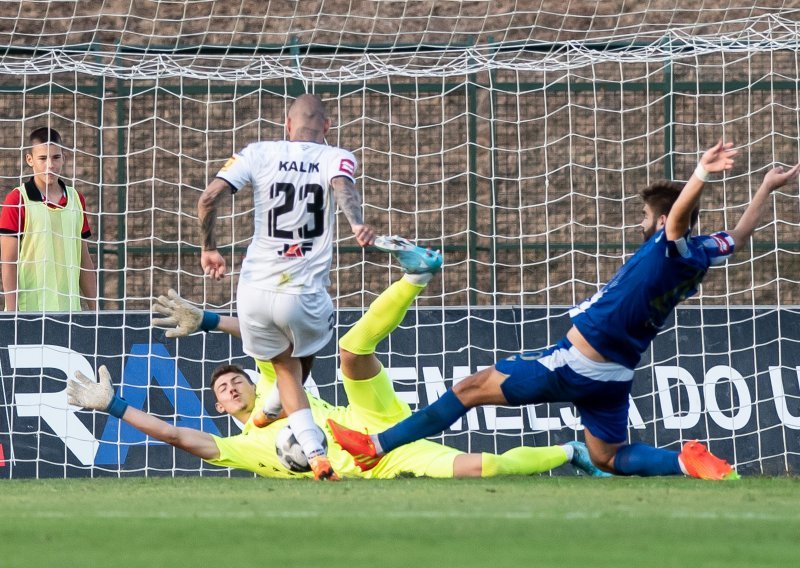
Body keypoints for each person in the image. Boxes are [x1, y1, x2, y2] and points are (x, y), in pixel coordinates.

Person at [328, 140, 800, 480]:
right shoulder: (701, 252)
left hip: (578, 360)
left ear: (659, 221)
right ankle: (685, 461)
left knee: (469, 388)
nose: (641, 223)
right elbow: (737, 237)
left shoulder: (669, 247)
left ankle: (374, 447)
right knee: (607, 458)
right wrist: (766, 189)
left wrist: (699, 173)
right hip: (615, 374)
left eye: (644, 217)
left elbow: (676, 219)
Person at [67, 268, 609, 480]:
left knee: (351, 352)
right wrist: (113, 407)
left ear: (257, 384)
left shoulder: (280, 385)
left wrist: (209, 320)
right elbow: (173, 434)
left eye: (236, 381)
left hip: (371, 422)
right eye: (222, 390)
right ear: (220, 408)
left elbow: (258, 338)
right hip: (383, 463)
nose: (230, 387)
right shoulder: (237, 446)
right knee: (480, 470)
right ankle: (571, 453)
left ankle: (415, 276)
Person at [197, 94, 377, 480]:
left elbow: (209, 198)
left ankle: (307, 447)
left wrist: (209, 248)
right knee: (304, 356)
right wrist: (356, 224)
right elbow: (343, 188)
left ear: (286, 123)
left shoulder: (258, 152)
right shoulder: (336, 156)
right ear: (326, 127)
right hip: (304, 293)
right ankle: (286, 416)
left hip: (254, 290)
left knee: (284, 366)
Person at [0, 127, 97, 311]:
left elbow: (84, 260)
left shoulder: (76, 199)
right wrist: (12, 314)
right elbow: (8, 262)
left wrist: (95, 310)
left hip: (71, 314)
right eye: (43, 158)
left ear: (64, 157)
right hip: (29, 314)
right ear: (30, 160)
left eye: (56, 157)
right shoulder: (17, 199)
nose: (50, 165)